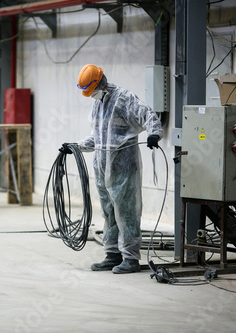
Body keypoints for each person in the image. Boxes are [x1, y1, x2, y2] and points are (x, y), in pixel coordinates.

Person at [60, 64, 163, 274]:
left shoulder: (123, 99)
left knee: (126, 213)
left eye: (91, 91)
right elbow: (98, 138)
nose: (90, 96)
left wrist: (154, 134)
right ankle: (112, 254)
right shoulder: (98, 104)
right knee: (108, 212)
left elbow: (148, 115)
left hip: (123, 166)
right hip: (103, 166)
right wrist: (76, 146)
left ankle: (131, 259)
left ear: (100, 84)